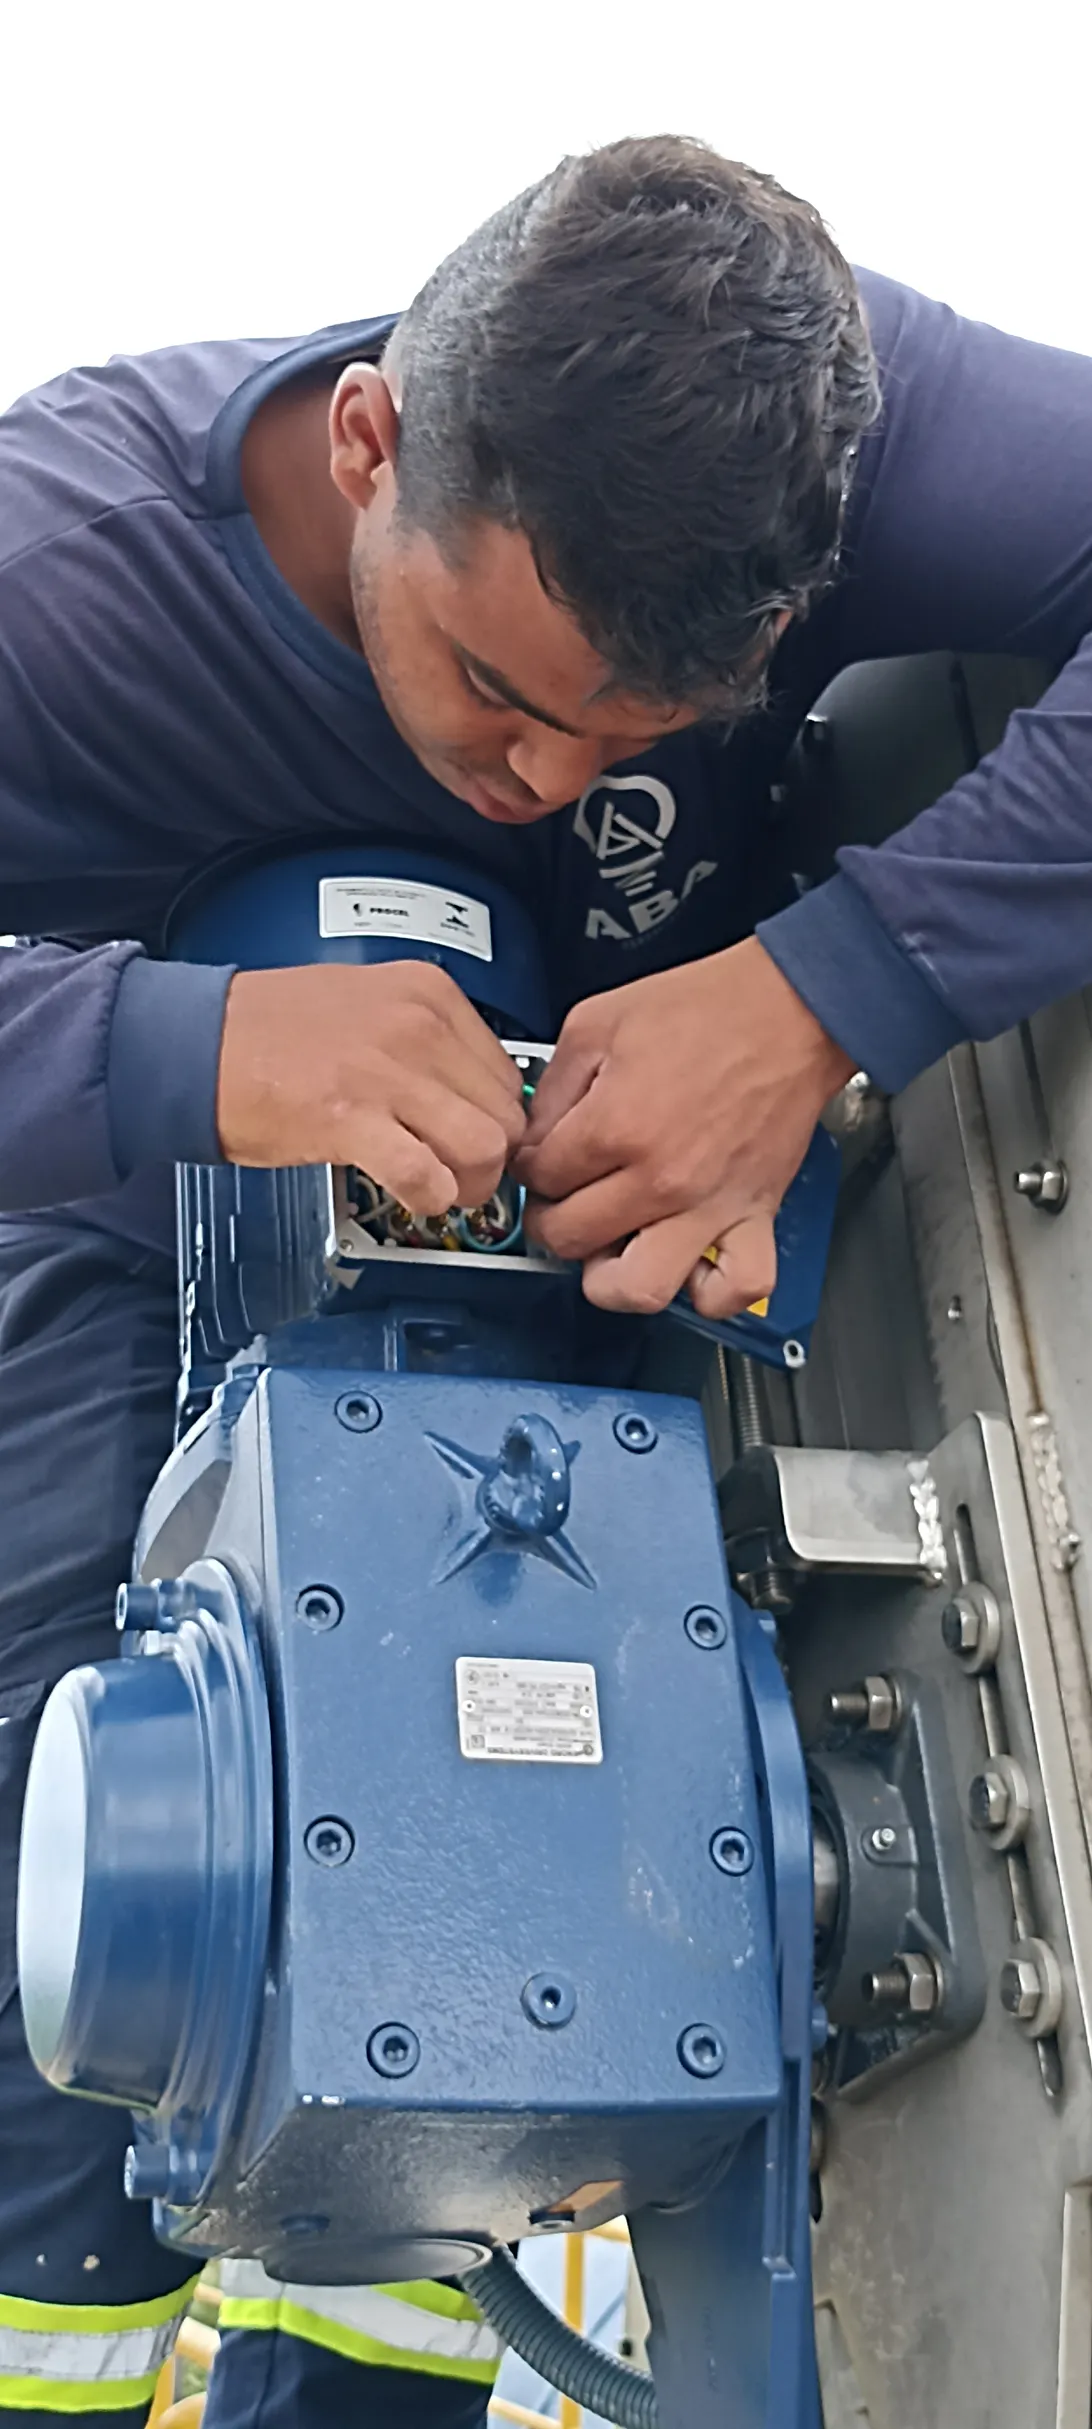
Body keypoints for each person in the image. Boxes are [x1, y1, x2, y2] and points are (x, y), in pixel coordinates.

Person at [1, 130, 1091, 2428]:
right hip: (134, 1223)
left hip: (624, 1255)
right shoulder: (63, 571)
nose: (544, 776)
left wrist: (827, 988)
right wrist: (181, 1047)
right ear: (368, 439)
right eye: (499, 684)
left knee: (528, 1960)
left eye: (638, 734)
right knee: (82, 1938)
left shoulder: (829, 421)